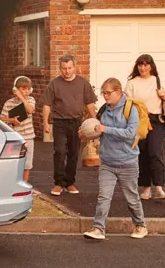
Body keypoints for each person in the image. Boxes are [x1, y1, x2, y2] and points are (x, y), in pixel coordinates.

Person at [83, 78, 147, 241]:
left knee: (132, 198)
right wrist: (88, 131)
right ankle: (98, 228)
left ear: (118, 92)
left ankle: (140, 225)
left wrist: (106, 129)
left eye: (108, 93)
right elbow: (98, 130)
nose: (105, 96)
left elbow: (130, 134)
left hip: (127, 162)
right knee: (104, 196)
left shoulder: (130, 109)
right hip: (107, 162)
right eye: (103, 93)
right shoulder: (104, 109)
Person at [42, 54, 97, 196]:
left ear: (74, 67)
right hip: (59, 123)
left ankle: (70, 182)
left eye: (70, 68)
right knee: (60, 151)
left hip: (76, 123)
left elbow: (90, 103)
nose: (67, 71)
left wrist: (95, 120)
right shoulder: (54, 84)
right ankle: (58, 183)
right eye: (64, 68)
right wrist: (45, 123)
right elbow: (47, 105)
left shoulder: (83, 83)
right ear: (60, 68)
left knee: (73, 153)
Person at [126, 53, 165, 200]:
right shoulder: (132, 83)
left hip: (156, 120)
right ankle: (146, 188)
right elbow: (127, 103)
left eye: (146, 64)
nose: (143, 68)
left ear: (151, 66)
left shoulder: (158, 81)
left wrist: (163, 96)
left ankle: (159, 187)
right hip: (140, 120)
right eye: (140, 65)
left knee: (155, 152)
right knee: (142, 154)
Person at [0, 76, 36, 182]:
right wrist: (11, 120)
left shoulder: (30, 100)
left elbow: (30, 110)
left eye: (28, 89)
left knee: (27, 165)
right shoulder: (9, 103)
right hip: (15, 138)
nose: (26, 91)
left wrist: (22, 98)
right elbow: (1, 119)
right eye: (23, 89)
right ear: (15, 89)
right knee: (14, 164)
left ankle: (24, 184)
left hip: (28, 138)